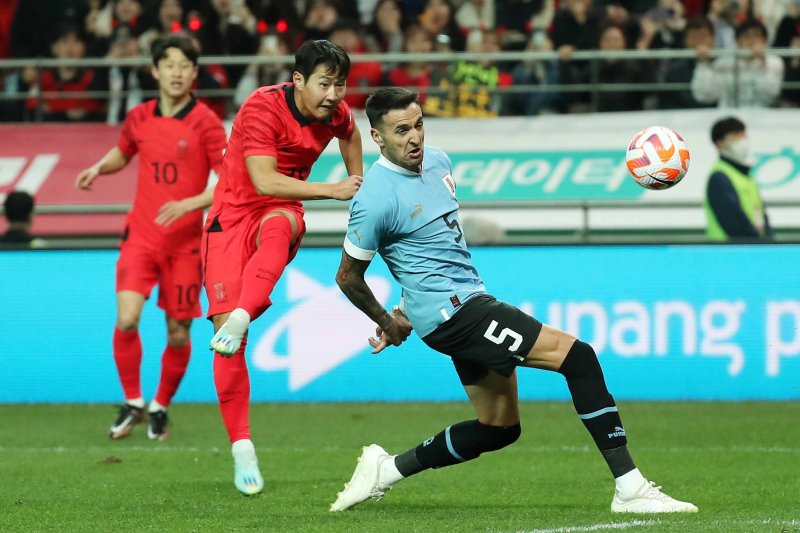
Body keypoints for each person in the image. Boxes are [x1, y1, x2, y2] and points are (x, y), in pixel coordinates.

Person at [329, 87, 698, 514]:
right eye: (400, 131)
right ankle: (630, 488)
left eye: (418, 125)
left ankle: (386, 468)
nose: (414, 138)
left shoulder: (439, 162)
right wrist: (388, 322)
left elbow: (432, 251)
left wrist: (405, 309)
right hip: (456, 315)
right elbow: (347, 276)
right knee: (579, 358)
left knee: (499, 428)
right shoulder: (374, 198)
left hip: (459, 303)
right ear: (377, 137)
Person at [203, 39, 363, 496]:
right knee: (226, 347)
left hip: (279, 209)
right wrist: (334, 190)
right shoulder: (261, 109)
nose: (334, 94)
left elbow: (351, 133)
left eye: (340, 84)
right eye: (325, 83)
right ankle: (242, 447)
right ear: (298, 80)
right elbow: (263, 180)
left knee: (280, 222)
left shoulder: (336, 111)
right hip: (229, 219)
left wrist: (359, 181)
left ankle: (242, 314)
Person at [74, 34, 228, 442]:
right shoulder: (139, 116)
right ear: (155, 70)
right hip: (140, 236)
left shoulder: (207, 123)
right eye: (170, 65)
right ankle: (133, 401)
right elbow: (124, 152)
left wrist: (190, 203)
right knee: (126, 319)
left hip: (186, 245)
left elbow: (231, 181)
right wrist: (97, 168)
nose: (177, 73)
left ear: (194, 74)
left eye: (185, 66)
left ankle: (159, 406)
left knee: (178, 331)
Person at [705, 116, 773, 241]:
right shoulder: (719, 177)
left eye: (744, 134)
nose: (743, 139)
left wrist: (768, 242)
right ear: (719, 143)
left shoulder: (746, 176)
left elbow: (761, 214)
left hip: (753, 249)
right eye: (736, 135)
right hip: (729, 252)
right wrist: (758, 244)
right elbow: (734, 222)